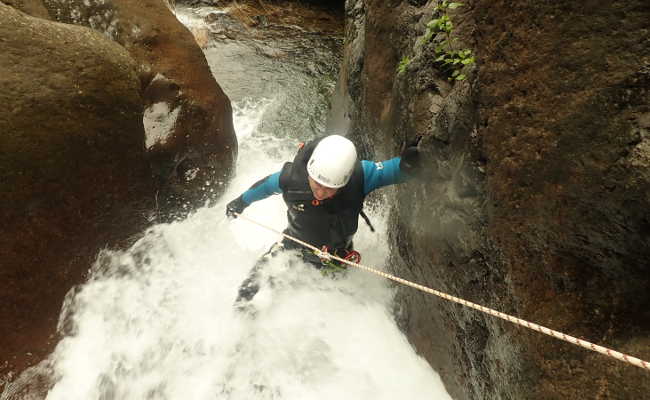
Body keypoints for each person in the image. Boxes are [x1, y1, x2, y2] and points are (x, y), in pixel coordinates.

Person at [226, 134, 421, 304]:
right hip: (292, 247)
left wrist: (408, 165)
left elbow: (393, 171)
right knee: (247, 292)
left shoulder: (360, 177)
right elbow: (263, 187)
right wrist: (239, 204)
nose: (320, 193)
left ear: (344, 181)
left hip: (336, 258)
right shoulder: (290, 178)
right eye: (316, 184)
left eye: (329, 189)